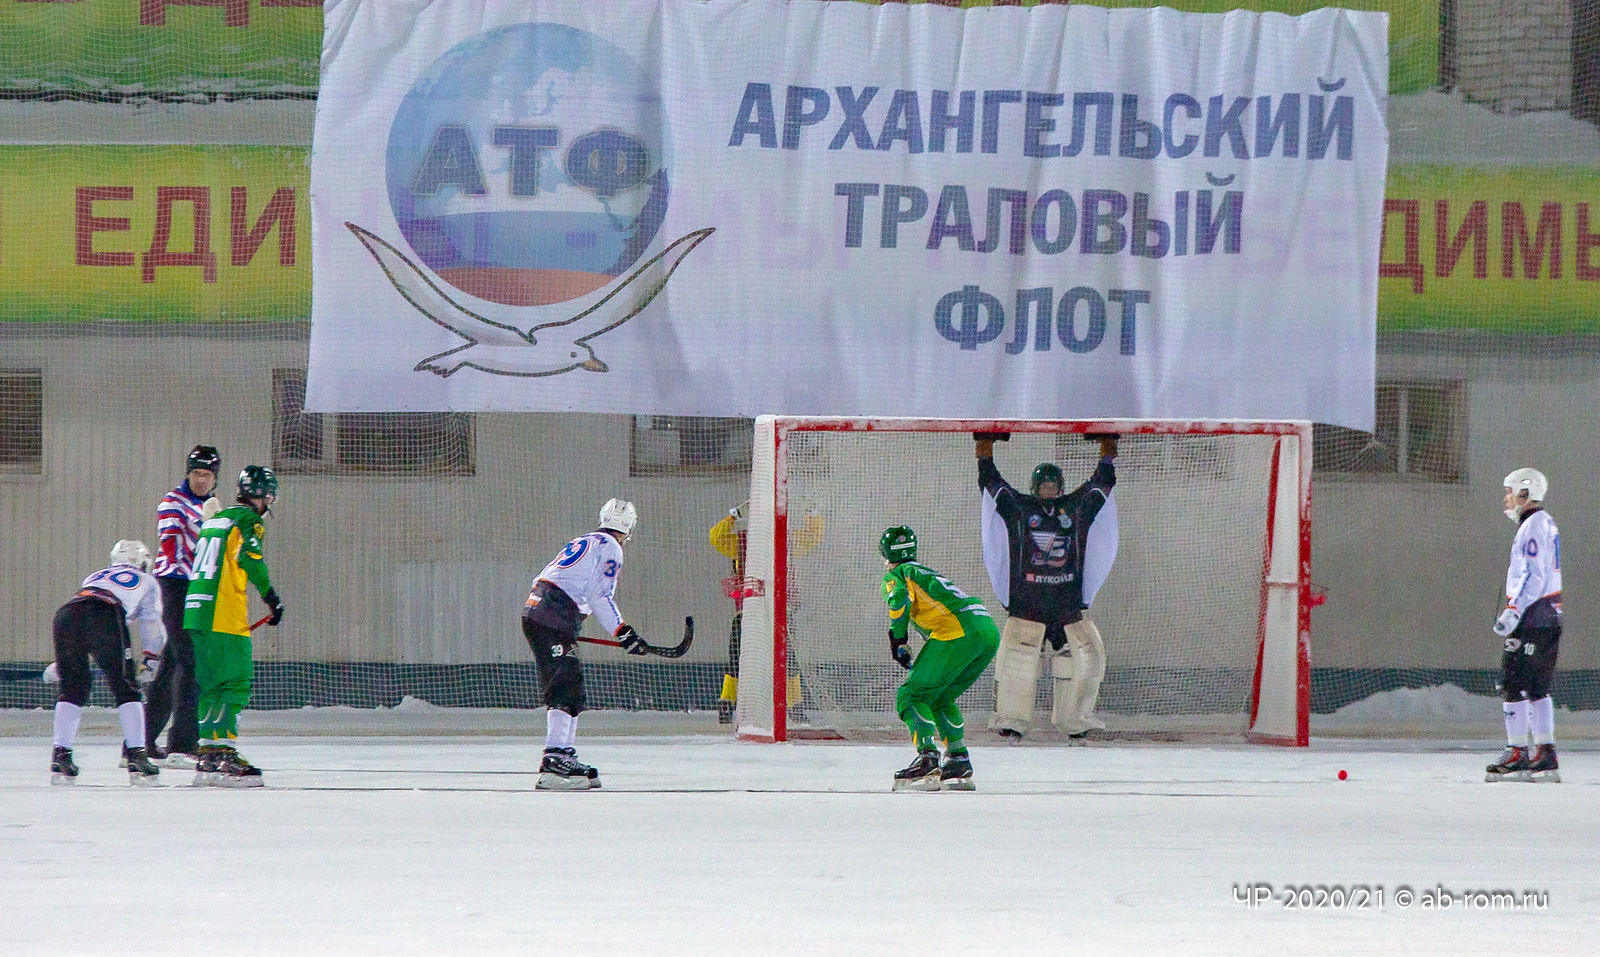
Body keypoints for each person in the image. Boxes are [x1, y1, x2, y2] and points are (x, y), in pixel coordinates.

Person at [974, 431, 1118, 741]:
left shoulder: (1075, 509)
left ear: (1061, 488)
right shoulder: (1020, 509)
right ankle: (1011, 721)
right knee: (1018, 663)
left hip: (1066, 605)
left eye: (1054, 486)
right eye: (1044, 486)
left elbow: (1101, 486)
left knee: (1080, 661)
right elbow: (991, 484)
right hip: (1028, 604)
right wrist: (984, 449)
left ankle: (1076, 721)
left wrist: (1107, 451)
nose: (1049, 490)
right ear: (1034, 488)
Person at [522, 498, 644, 790]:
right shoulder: (611, 547)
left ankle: (564, 753)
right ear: (628, 527)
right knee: (564, 683)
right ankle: (554, 758)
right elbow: (600, 595)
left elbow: (556, 579)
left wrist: (568, 622)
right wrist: (623, 631)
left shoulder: (585, 540)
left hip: (541, 610)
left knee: (571, 682)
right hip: (553, 615)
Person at [184, 465, 284, 787]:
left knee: (211, 686)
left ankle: (208, 754)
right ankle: (225, 754)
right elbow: (250, 559)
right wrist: (271, 598)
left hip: (195, 610)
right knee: (234, 683)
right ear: (263, 496)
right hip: (222, 614)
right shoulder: (247, 520)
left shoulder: (216, 519)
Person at [879, 526, 999, 791]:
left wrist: (897, 638)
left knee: (911, 695)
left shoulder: (898, 574)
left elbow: (898, 600)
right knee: (940, 696)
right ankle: (958, 759)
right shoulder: (926, 573)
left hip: (958, 631)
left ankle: (927, 758)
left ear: (885, 554)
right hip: (987, 630)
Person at [48, 540, 166, 785]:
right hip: (105, 613)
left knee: (73, 688)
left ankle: (61, 754)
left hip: (66, 613)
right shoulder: (148, 581)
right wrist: (150, 658)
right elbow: (152, 626)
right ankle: (137, 754)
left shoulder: (96, 576)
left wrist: (64, 662)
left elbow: (83, 614)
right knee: (127, 688)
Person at [708, 500, 823, 724]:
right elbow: (716, 537)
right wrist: (733, 516)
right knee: (737, 657)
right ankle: (727, 701)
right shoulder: (742, 541)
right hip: (749, 612)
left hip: (781, 611)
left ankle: (794, 703)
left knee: (789, 658)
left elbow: (812, 537)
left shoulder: (786, 540)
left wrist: (812, 514)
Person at [1485, 467, 1563, 783]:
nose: (1506, 499)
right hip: (1547, 616)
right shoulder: (1544, 523)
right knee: (1537, 687)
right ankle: (1544, 753)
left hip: (1533, 616)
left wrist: (1513, 610)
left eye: (1510, 492)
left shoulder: (1532, 527)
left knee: (1512, 681)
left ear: (1524, 493)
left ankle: (1517, 751)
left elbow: (1534, 575)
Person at [144, 444, 220, 767]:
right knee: (191, 661)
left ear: (215, 478)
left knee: (171, 666)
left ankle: (139, 743)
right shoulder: (172, 502)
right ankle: (182, 744)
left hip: (194, 587)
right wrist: (208, 531)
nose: (201, 480)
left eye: (207, 475)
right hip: (174, 584)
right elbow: (173, 546)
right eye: (196, 473)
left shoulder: (210, 505)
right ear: (188, 474)